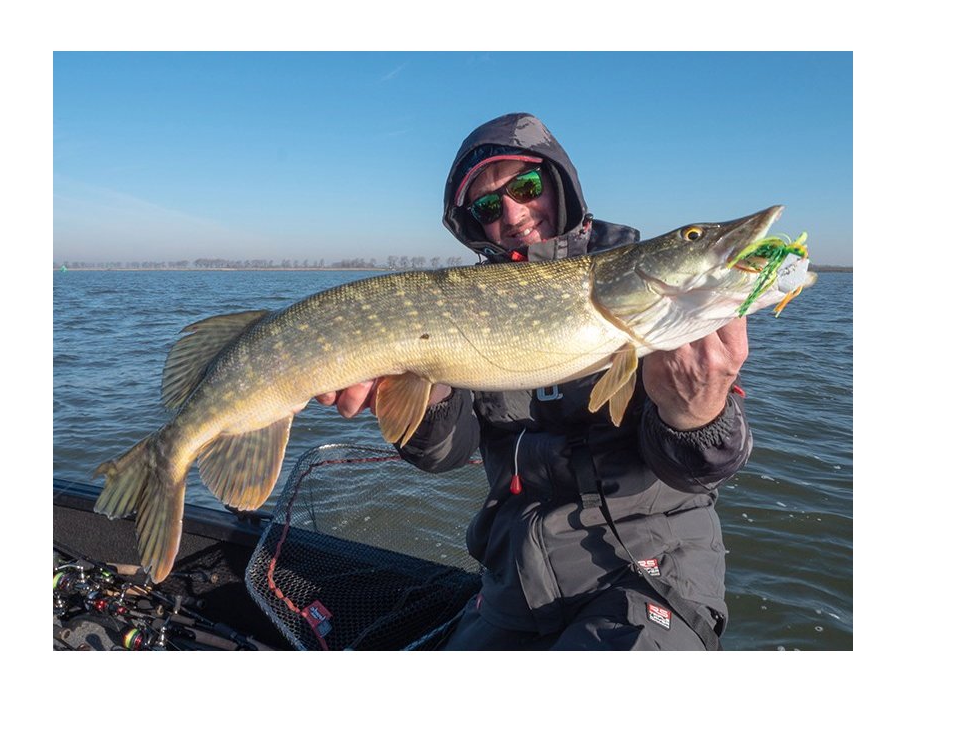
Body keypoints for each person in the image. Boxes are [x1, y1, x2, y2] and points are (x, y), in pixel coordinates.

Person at [315, 113, 752, 650]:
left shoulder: (653, 302)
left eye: (525, 186)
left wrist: (696, 414)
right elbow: (446, 455)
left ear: (559, 184)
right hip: (515, 580)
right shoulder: (467, 303)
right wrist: (426, 394)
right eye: (486, 207)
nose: (513, 213)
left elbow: (706, 470)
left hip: (647, 572)